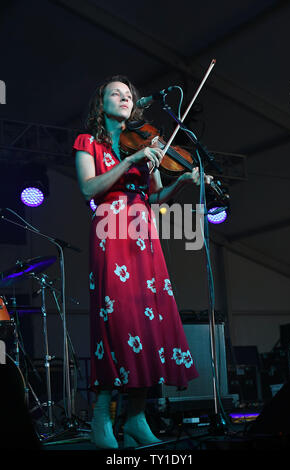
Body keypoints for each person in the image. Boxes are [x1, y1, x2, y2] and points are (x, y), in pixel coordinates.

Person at [73, 75, 208, 449]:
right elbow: (88, 188)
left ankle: (135, 419)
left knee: (149, 324)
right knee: (118, 323)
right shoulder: (89, 142)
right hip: (110, 231)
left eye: (128, 95)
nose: (124, 98)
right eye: (115, 94)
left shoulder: (146, 142)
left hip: (143, 233)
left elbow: (155, 196)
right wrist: (130, 159)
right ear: (101, 103)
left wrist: (184, 182)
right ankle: (102, 419)